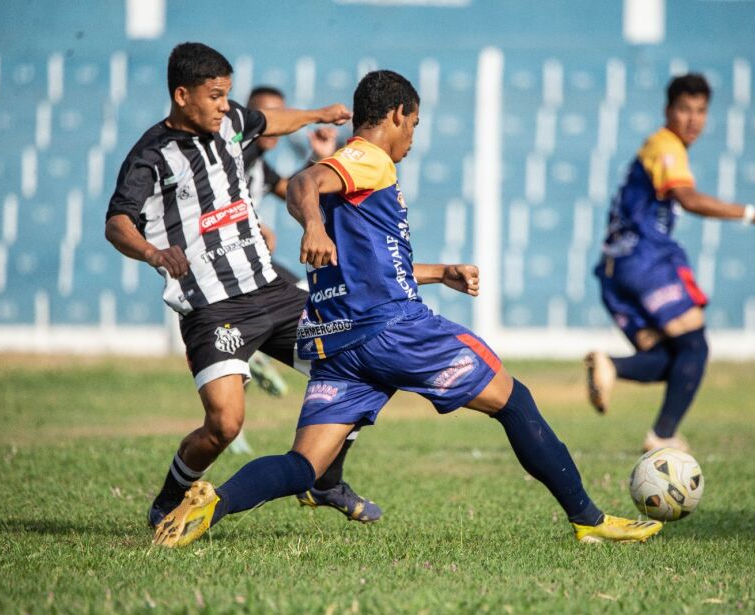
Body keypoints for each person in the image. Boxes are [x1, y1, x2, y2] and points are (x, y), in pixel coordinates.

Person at [152, 69, 663, 548]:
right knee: (515, 400)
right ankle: (590, 521)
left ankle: (210, 506)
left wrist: (440, 272)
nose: (413, 137)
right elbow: (304, 186)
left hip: (340, 344)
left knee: (304, 466)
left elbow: (366, 257)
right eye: (414, 124)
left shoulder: (346, 177)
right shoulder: (368, 159)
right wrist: (310, 226)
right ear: (396, 114)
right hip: (393, 331)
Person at [105, 42, 381, 528]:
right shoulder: (152, 155)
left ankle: (325, 479)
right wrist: (152, 252)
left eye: (226, 95)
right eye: (214, 96)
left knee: (352, 363)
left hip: (271, 289)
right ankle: (169, 498)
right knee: (225, 424)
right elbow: (117, 222)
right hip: (213, 307)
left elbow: (270, 121)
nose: (222, 105)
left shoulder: (231, 122)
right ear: (182, 94)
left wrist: (321, 113)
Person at [584, 73, 755, 453]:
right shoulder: (667, 147)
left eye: (701, 111)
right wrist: (751, 213)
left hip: (614, 271)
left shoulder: (656, 147)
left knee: (666, 358)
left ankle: (611, 366)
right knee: (694, 348)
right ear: (668, 111)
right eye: (685, 110)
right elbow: (687, 199)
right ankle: (662, 437)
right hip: (646, 261)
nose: (693, 120)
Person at [241, 85, 339, 400]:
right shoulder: (233, 155)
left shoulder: (257, 162)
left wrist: (316, 159)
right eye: (268, 115)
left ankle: (252, 347)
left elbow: (290, 189)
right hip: (227, 266)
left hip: (250, 262)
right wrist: (254, 225)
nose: (277, 122)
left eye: (281, 114)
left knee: (308, 295)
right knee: (309, 301)